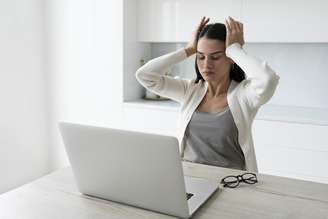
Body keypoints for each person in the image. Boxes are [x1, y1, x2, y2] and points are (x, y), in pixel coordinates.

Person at [136, 16, 280, 172]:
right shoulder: (190, 90)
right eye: (200, 56)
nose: (206, 65)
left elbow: (268, 79)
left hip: (231, 183)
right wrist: (189, 49)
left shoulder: (244, 95)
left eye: (216, 57)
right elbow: (144, 75)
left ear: (231, 58)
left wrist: (235, 49)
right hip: (188, 179)